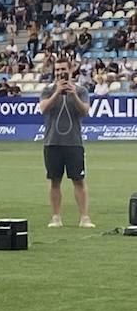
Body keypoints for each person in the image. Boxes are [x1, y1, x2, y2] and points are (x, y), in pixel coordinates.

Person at [38, 61, 93, 227]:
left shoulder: (81, 90)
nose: (60, 72)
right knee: (54, 180)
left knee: (78, 180)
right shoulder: (48, 90)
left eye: (63, 69)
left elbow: (84, 111)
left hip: (74, 142)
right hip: (52, 142)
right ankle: (56, 217)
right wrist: (57, 92)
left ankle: (84, 217)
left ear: (70, 70)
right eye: (57, 70)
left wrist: (73, 94)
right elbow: (43, 108)